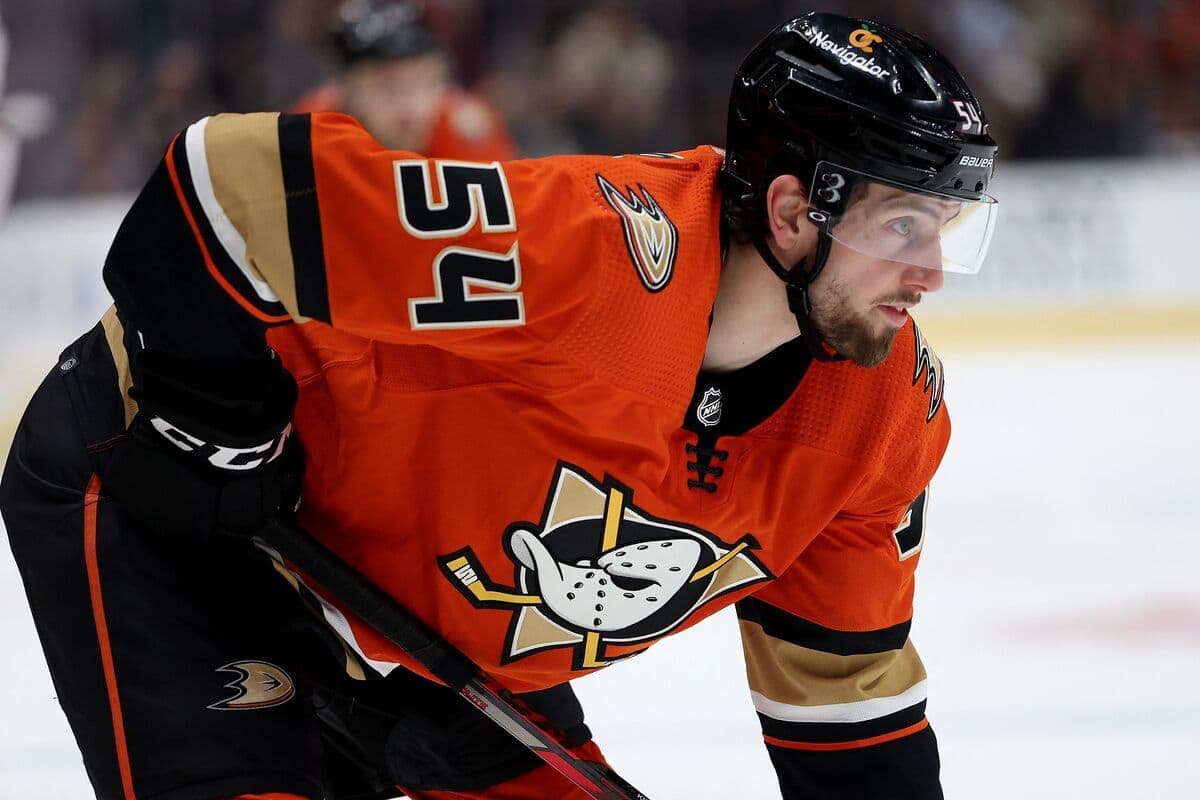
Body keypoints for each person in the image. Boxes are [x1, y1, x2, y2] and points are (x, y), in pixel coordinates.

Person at [0, 11, 997, 800]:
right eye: (903, 225)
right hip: (174, 502)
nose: (930, 273)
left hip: (420, 623)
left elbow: (846, 704)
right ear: (790, 212)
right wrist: (219, 423)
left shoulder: (883, 420)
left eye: (947, 228)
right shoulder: (584, 252)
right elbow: (225, 182)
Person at [292, 0, 517, 162]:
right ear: (344, 89)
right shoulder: (309, 135)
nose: (413, 108)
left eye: (429, 82)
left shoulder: (469, 130)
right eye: (390, 88)